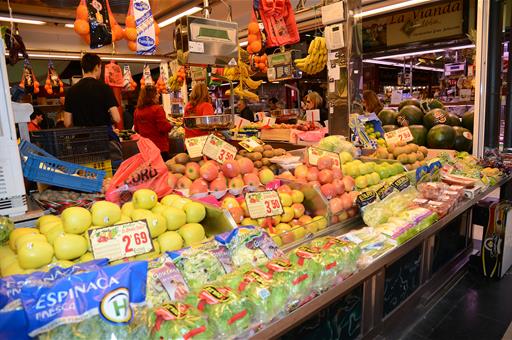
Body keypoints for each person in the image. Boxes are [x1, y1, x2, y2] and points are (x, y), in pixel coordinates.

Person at [63, 53, 122, 161]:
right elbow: (117, 118)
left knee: (87, 174)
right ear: (97, 67)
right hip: (103, 140)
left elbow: (67, 123)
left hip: (81, 143)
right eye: (100, 67)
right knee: (108, 173)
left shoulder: (71, 91)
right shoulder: (104, 88)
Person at [133, 85, 172, 160]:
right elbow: (163, 128)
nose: (158, 95)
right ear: (152, 96)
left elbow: (136, 129)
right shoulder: (157, 109)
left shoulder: (137, 111)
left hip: (145, 148)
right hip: (159, 147)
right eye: (156, 93)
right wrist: (171, 125)